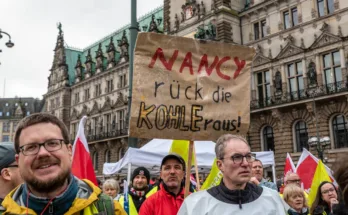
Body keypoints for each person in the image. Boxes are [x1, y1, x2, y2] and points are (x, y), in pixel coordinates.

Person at [1, 113, 126, 215]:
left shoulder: (111, 210)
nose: (43, 153)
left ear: (69, 151)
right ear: (18, 161)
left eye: (53, 143)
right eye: (31, 147)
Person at [177, 134, 286, 214]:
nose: (245, 163)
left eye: (248, 156)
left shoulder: (272, 199)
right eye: (237, 157)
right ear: (220, 165)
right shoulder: (196, 204)